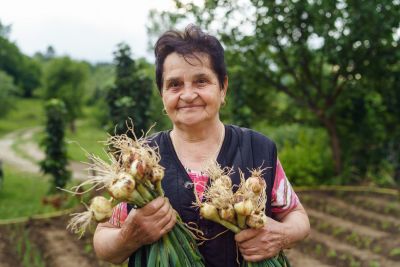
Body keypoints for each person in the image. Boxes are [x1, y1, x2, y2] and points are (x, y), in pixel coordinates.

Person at [93, 24, 310, 267]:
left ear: (223, 87)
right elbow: (104, 243)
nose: (187, 95)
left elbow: (297, 217)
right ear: (162, 94)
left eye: (201, 81)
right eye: (174, 84)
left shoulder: (258, 149)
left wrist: (281, 235)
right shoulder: (138, 162)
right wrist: (128, 236)